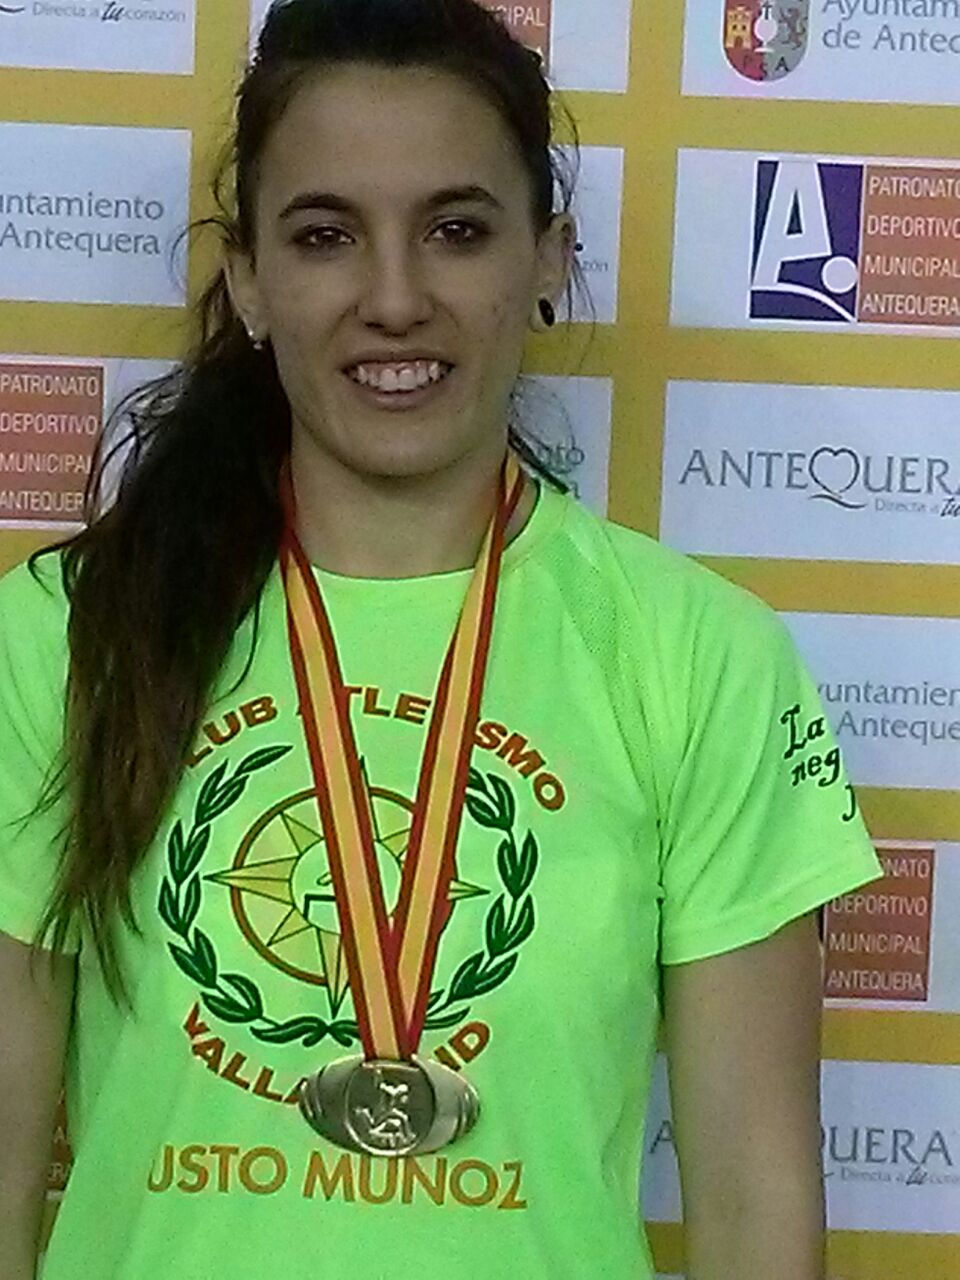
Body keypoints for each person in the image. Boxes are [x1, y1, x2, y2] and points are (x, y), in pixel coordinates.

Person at [0, 1, 884, 1277]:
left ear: (547, 259)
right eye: (325, 236)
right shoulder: (65, 636)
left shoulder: (700, 655)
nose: (395, 299)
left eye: (457, 230)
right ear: (248, 280)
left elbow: (755, 1207)